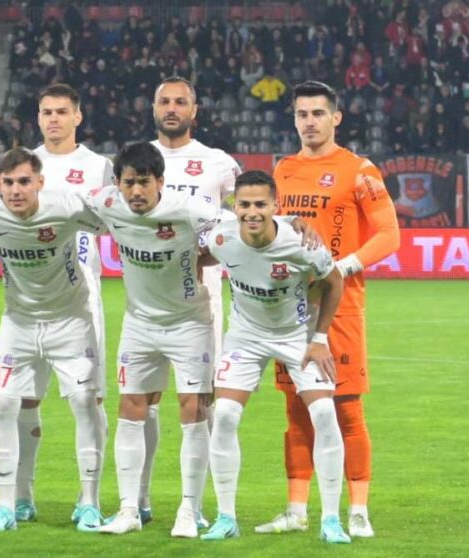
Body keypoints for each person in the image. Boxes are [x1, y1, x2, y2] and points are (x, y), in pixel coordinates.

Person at [256, 80, 399, 538]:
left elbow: (388, 235)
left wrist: (340, 267)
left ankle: (358, 510)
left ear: (336, 118)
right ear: (294, 118)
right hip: (288, 311)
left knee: (347, 408)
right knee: (297, 412)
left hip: (340, 308)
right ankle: (297, 510)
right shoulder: (283, 170)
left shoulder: (358, 169)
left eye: (318, 113)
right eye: (302, 114)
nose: (309, 122)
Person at [198, 170, 351, 544]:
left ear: (275, 206)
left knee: (324, 414)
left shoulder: (301, 242)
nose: (252, 212)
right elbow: (197, 257)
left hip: (296, 336)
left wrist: (319, 339)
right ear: (234, 206)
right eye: (244, 204)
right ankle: (226, 517)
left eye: (260, 204)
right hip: (245, 337)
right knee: (226, 417)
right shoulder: (222, 238)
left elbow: (334, 282)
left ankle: (331, 520)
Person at [0, 148, 107, 532]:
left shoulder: (67, 206)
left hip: (71, 320)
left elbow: (110, 224)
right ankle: (9, 504)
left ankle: (89, 503)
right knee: (5, 403)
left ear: (40, 182)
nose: (15, 190)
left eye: (24, 181)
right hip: (19, 323)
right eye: (7, 182)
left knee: (83, 403)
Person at [88, 143, 222, 535]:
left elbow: (232, 230)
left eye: (144, 182)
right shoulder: (107, 203)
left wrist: (291, 224)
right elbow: (60, 203)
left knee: (193, 408)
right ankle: (129, 510)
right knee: (131, 405)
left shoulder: (187, 208)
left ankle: (189, 511)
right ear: (117, 183)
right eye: (129, 183)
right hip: (139, 323)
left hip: (188, 323)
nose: (136, 192)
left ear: (160, 181)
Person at [148, 76, 241, 534]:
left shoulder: (218, 163)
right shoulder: (137, 158)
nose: (171, 108)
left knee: (197, 401)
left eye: (180, 102)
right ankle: (137, 502)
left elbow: (245, 217)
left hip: (201, 299)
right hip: (145, 299)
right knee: (141, 400)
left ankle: (193, 506)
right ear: (153, 108)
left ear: (194, 110)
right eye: (164, 101)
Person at [17, 83, 112, 525]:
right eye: (45, 111)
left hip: (81, 300)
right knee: (22, 401)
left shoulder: (98, 167)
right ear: (37, 117)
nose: (52, 118)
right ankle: (22, 496)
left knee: (86, 400)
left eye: (61, 111)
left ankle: (88, 498)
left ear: (78, 116)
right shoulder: (24, 163)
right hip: (25, 299)